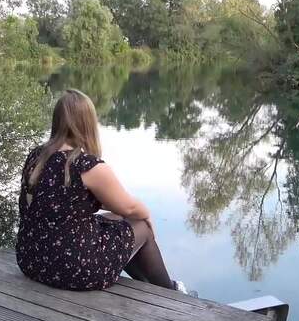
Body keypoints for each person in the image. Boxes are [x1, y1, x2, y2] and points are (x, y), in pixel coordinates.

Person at [15, 88, 190, 293]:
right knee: (141, 227)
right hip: (73, 269)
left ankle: (149, 286)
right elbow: (130, 207)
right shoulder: (86, 165)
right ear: (87, 122)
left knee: (116, 220)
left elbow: (63, 201)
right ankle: (170, 290)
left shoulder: (37, 156)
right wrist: (147, 215)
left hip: (32, 260)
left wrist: (122, 213)